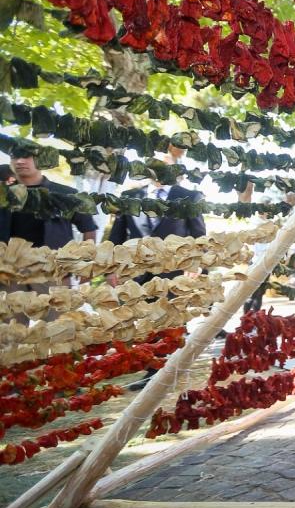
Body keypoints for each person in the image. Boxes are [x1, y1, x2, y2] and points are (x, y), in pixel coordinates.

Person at [106, 146, 206, 391]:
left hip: (174, 272)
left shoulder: (190, 196)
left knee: (171, 321)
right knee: (146, 323)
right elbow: (116, 237)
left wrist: (196, 263)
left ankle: (166, 371)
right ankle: (150, 369)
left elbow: (199, 235)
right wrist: (111, 267)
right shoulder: (130, 198)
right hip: (138, 272)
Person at [0, 146, 98, 324]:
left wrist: (87, 263)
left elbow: (88, 228)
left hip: (53, 272)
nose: (20, 161)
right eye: (15, 156)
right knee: (9, 335)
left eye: (27, 156)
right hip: (10, 273)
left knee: (58, 331)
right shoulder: (3, 195)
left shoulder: (66, 194)